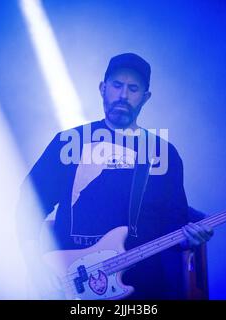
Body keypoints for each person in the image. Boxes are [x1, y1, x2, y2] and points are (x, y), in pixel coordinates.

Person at [17, 53, 213, 300]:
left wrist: (191, 239)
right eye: (117, 85)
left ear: (145, 97)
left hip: (143, 290)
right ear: (103, 88)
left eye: (133, 88)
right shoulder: (68, 143)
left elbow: (172, 226)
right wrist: (35, 264)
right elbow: (29, 205)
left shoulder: (162, 153)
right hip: (72, 286)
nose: (123, 95)